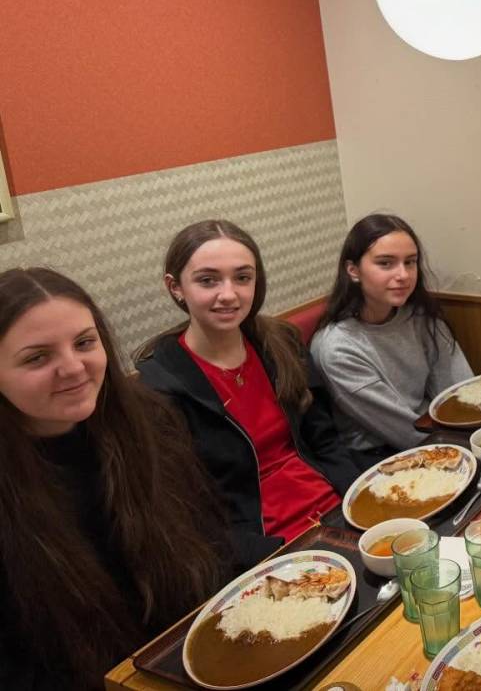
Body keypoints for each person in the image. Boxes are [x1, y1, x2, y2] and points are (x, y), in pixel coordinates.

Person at [0, 268, 224, 689]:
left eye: (85, 343)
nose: (73, 368)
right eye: (37, 358)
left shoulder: (149, 419)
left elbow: (209, 544)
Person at [137, 220, 358, 567]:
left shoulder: (280, 343)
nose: (229, 294)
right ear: (175, 287)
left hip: (336, 513)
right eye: (208, 280)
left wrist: (361, 503)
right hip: (266, 548)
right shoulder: (159, 388)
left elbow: (325, 440)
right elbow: (188, 514)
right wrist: (270, 554)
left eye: (242, 277)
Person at [310, 214, 473, 468]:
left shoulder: (420, 317)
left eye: (410, 262)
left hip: (437, 435)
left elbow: (460, 391)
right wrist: (468, 450)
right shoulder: (337, 348)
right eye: (386, 263)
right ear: (353, 271)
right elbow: (404, 431)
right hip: (382, 456)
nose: (403, 275)